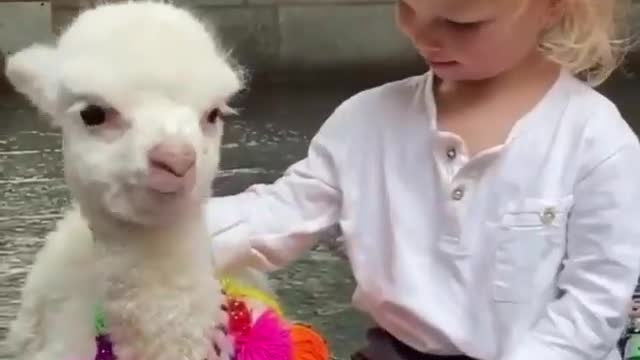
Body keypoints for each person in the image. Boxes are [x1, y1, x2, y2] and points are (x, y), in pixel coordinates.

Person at [205, 0, 640, 359]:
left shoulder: (596, 142)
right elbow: (276, 216)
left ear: (554, 7)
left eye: (459, 22)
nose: (424, 36)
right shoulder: (367, 120)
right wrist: (158, 233)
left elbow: (593, 304)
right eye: (407, 8)